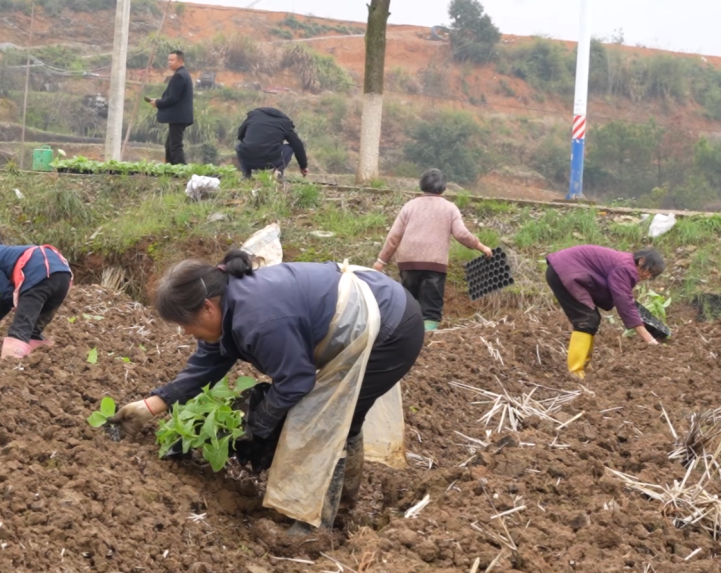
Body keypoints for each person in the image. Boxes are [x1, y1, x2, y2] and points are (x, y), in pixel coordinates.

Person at [108, 250, 424, 532]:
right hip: (373, 303)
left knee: (330, 419)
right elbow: (208, 363)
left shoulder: (259, 318)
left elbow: (296, 381)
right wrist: (152, 404)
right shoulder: (230, 303)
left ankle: (320, 523)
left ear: (206, 308)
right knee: (325, 416)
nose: (185, 332)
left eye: (185, 324)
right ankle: (330, 507)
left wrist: (259, 425)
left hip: (391, 328)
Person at [374, 168, 492, 331]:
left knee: (409, 302)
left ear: (422, 184)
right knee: (431, 309)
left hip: (408, 263)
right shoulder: (450, 208)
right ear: (443, 187)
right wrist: (481, 247)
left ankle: (408, 335)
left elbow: (394, 237)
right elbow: (461, 234)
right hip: (434, 264)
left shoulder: (409, 206)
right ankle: (428, 337)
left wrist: (381, 261)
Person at [546, 245, 664, 378]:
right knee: (586, 320)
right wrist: (648, 339)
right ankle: (575, 371)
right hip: (564, 271)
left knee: (591, 319)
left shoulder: (624, 263)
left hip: (564, 270)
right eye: (649, 271)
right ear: (642, 261)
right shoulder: (626, 267)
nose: (648, 276)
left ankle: (584, 365)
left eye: (652, 275)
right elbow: (624, 302)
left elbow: (620, 294)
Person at [0, 231, 72, 359]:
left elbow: (7, 292)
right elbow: (9, 294)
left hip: (39, 276)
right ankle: (41, 356)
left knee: (19, 331)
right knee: (32, 331)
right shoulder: (11, 254)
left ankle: (12, 363)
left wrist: (18, 306)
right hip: (63, 275)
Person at [234, 107, 309, 179]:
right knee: (290, 147)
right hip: (271, 161)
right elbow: (298, 145)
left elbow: (240, 135)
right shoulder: (284, 122)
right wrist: (303, 166)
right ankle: (278, 171)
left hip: (248, 160)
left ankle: (246, 174)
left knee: (240, 145)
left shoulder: (253, 117)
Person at [151, 50, 194, 165]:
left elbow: (173, 98)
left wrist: (158, 103)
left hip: (178, 117)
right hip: (180, 116)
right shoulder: (184, 74)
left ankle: (180, 170)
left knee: (175, 146)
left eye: (172, 60)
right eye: (168, 60)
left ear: (180, 61)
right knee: (169, 145)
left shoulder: (179, 76)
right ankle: (170, 168)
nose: (169, 62)